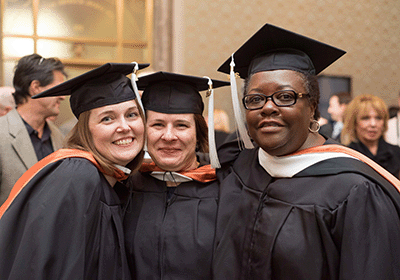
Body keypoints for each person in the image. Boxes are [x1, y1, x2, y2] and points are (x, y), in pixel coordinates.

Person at [213, 23, 400, 279]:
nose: (267, 107)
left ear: (312, 107)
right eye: (255, 99)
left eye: (285, 96)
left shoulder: (354, 191)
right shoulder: (240, 167)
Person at [0, 62, 149, 280]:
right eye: (107, 118)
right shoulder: (78, 175)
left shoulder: (109, 177)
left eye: (132, 114)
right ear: (86, 129)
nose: (124, 126)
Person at [123, 71, 229, 280]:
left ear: (198, 134)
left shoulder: (225, 194)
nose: (169, 136)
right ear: (144, 132)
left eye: (181, 125)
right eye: (157, 124)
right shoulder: (124, 190)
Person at [0, 54, 67, 205]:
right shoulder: (2, 132)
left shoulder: (60, 138)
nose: (63, 97)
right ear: (36, 87)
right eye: (58, 88)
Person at [341, 94, 400, 179]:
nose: (373, 124)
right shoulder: (347, 156)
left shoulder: (396, 152)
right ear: (354, 122)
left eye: (378, 118)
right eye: (366, 118)